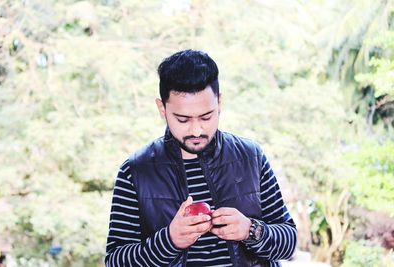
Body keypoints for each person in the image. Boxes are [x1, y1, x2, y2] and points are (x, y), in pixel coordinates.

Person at [105, 49, 297, 267]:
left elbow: (289, 243)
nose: (196, 130)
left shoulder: (251, 157)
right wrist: (169, 240)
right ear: (162, 109)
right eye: (183, 119)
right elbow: (115, 261)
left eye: (206, 117)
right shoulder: (136, 171)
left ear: (219, 103)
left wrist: (250, 230)